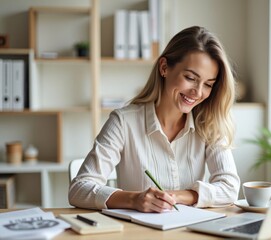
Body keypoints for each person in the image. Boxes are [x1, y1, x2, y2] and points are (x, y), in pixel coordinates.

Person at [69, 26, 240, 212]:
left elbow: (230, 187)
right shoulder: (124, 122)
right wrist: (134, 199)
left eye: (208, 84)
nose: (198, 92)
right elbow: (79, 189)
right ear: (164, 68)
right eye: (190, 78)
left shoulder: (209, 123)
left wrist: (178, 196)